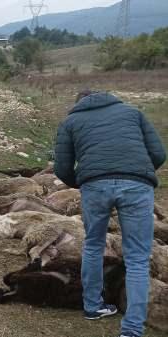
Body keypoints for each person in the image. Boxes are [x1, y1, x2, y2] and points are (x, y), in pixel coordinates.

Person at [54, 90, 165, 337]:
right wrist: (137, 172)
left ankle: (92, 306)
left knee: (93, 245)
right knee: (137, 257)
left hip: (95, 187)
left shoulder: (71, 122)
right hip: (137, 186)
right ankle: (132, 328)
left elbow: (62, 168)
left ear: (78, 104)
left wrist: (85, 181)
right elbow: (158, 154)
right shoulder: (132, 112)